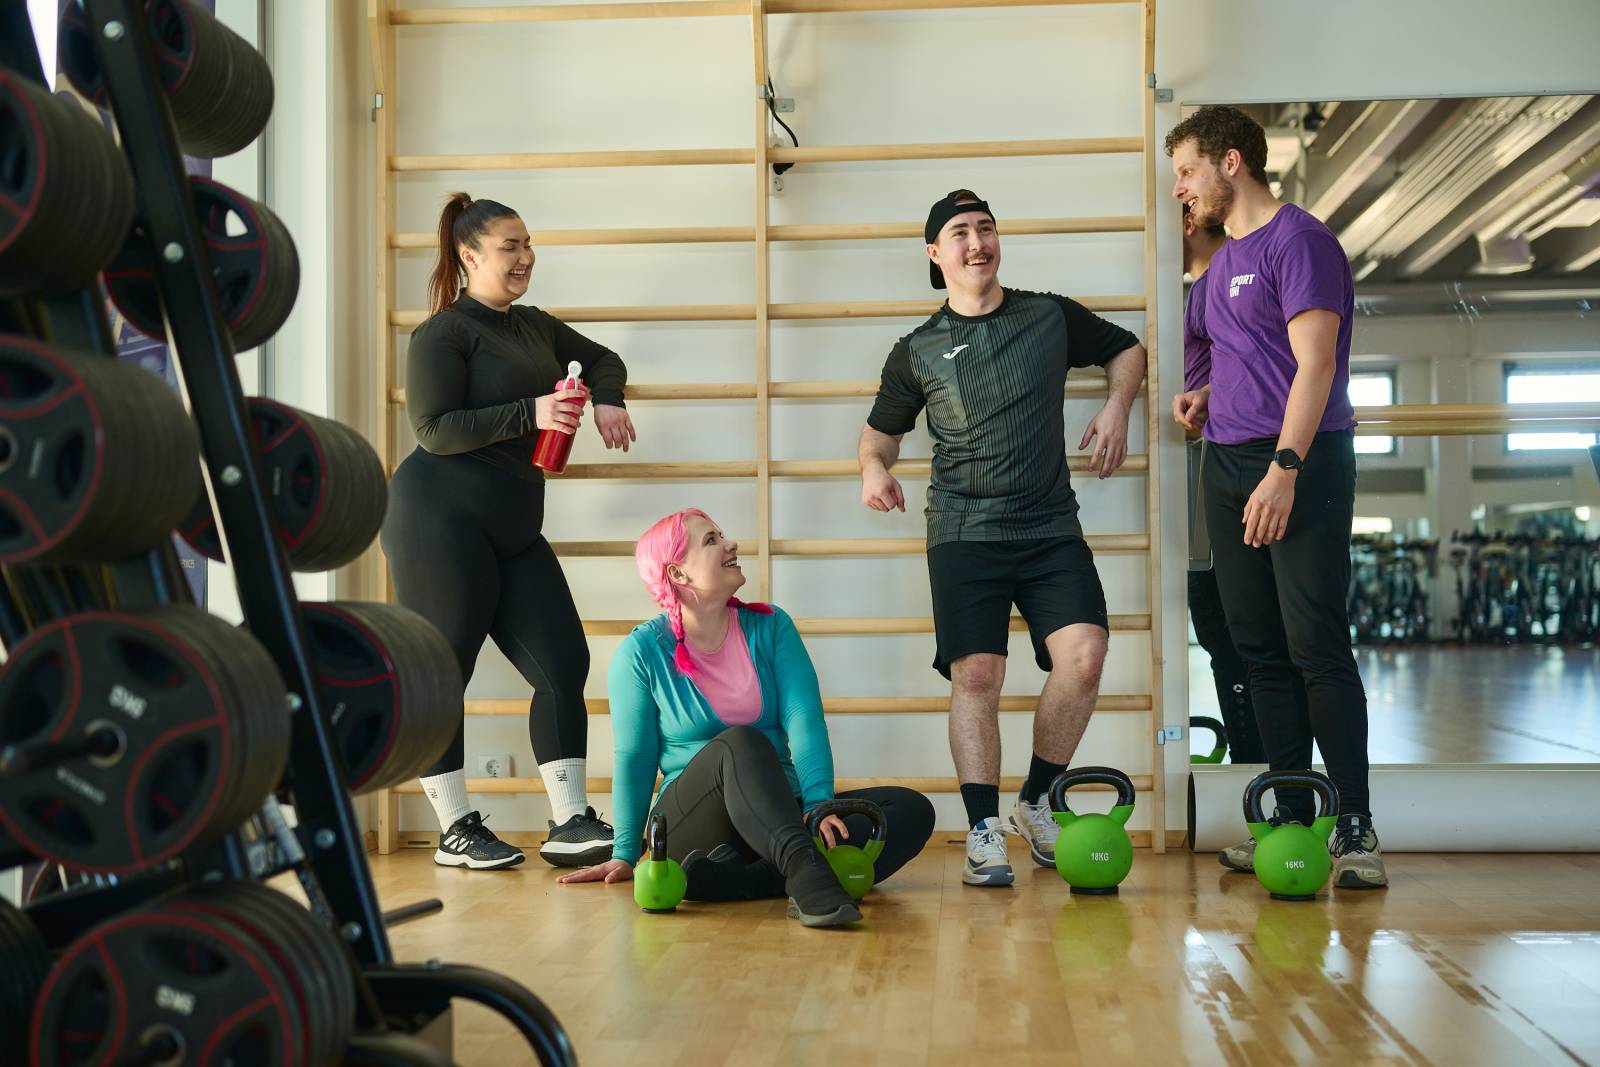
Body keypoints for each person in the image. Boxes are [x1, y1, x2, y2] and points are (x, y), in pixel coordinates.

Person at [857, 190, 1146, 888]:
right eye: (959, 233)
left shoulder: (1047, 315)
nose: (976, 242)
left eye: (986, 228)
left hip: (1049, 527)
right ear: (935, 254)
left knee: (1085, 655)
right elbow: (879, 435)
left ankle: (1036, 798)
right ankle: (983, 827)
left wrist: (1115, 405)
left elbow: (1128, 350)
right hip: (964, 532)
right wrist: (872, 468)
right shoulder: (917, 348)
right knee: (978, 675)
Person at [380, 192, 637, 871]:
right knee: (444, 670)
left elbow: (605, 357)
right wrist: (534, 408)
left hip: (515, 524)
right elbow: (433, 430)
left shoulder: (534, 327)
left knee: (563, 661)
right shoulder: (442, 334)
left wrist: (606, 399)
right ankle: (455, 827)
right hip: (438, 516)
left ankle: (569, 820)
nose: (524, 258)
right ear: (469, 256)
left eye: (528, 243)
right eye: (509, 246)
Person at [1167, 106, 1386, 888]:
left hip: (1303, 462)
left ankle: (1355, 823)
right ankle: (1291, 812)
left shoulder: (1301, 242)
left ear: (1231, 164)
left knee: (1315, 643)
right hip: (1226, 467)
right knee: (1257, 646)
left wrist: (1285, 468)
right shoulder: (1220, 264)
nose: (1181, 192)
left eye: (1187, 173)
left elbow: (1316, 365)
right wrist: (1200, 391)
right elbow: (1210, 343)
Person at [556, 509, 935, 927]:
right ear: (678, 573)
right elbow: (635, 758)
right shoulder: (641, 652)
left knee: (909, 809)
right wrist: (625, 853)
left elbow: (804, 720)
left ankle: (746, 880)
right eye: (711, 540)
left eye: (722, 534)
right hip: (695, 823)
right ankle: (805, 870)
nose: (730, 543)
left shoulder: (771, 627)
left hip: (777, 813)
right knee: (741, 742)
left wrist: (821, 804)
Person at [1180, 204, 1264, 764]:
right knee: (1225, 635)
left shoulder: (1218, 285)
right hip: (1209, 461)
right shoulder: (1199, 287)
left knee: (1228, 632)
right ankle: (1258, 771)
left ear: (1187, 223)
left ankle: (1260, 772)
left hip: (1224, 463)